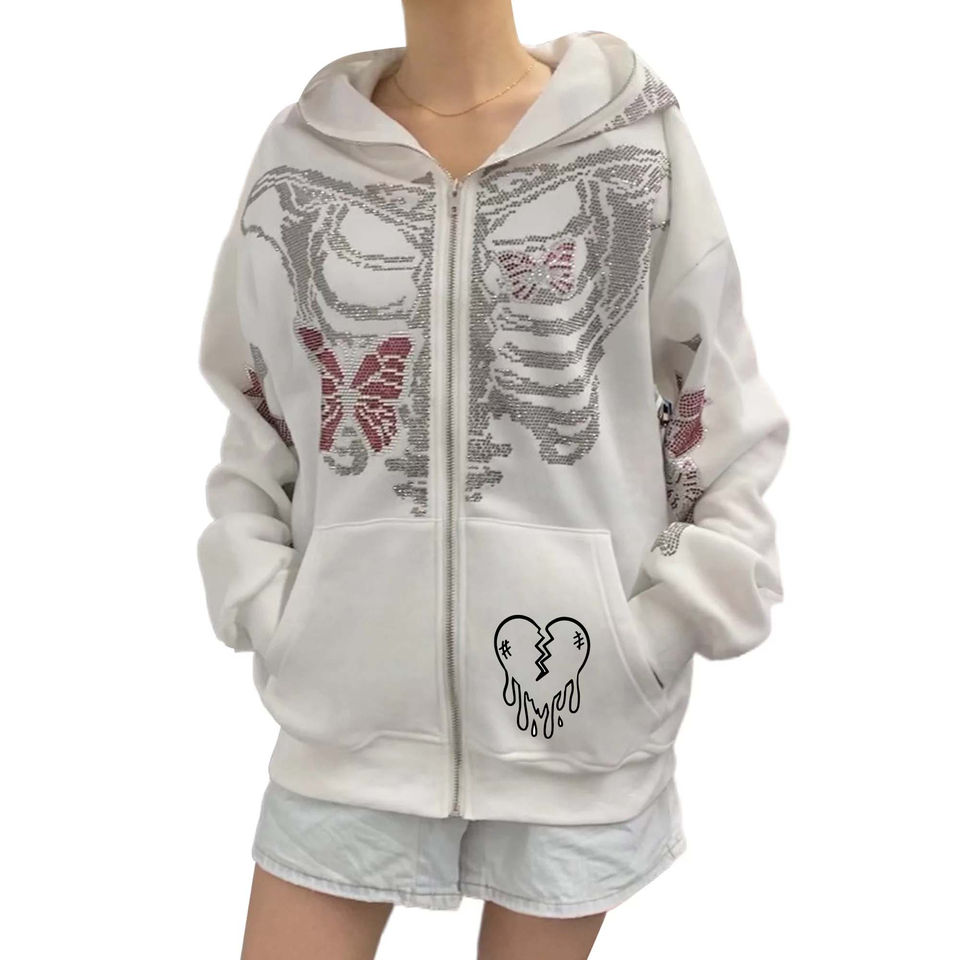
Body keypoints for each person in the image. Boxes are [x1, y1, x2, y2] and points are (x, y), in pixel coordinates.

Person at [195, 3, 790, 957]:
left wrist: (659, 628)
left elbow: (719, 411)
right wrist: (273, 609)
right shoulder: (300, 157)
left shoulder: (635, 144)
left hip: (576, 714)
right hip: (347, 721)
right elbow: (260, 408)